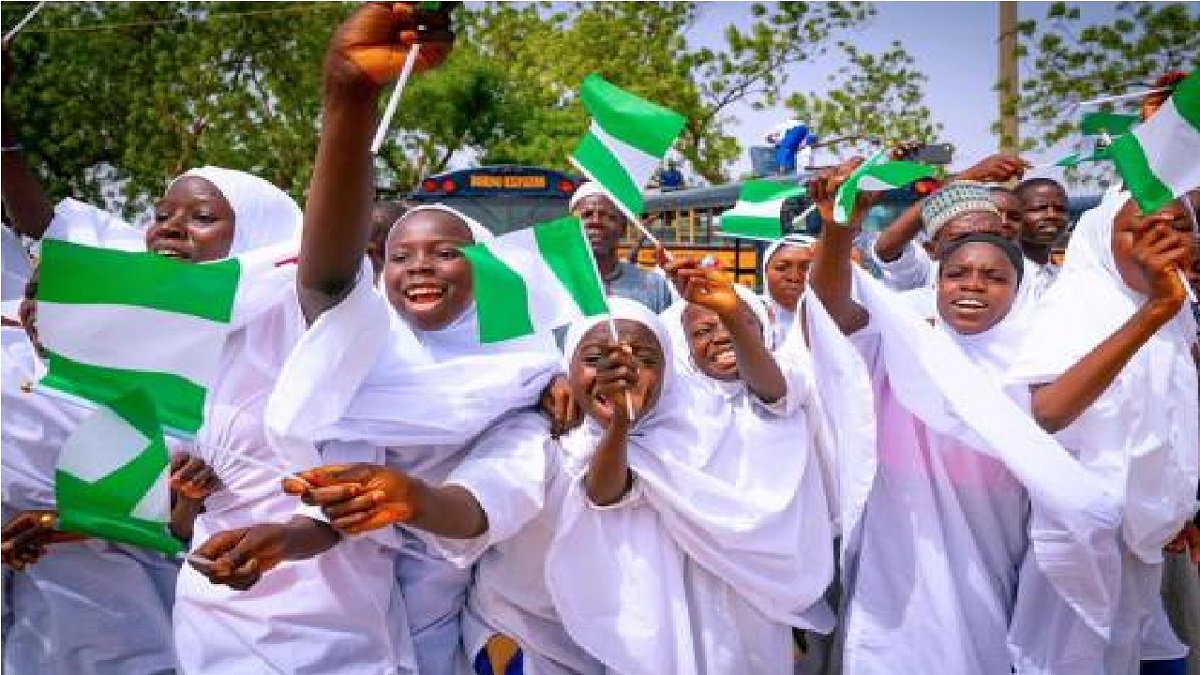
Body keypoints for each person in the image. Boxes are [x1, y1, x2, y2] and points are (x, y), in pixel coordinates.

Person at [803, 156, 1188, 673]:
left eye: (993, 277)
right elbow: (832, 311)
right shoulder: (904, 334)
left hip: (1005, 551)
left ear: (1019, 290)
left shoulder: (1035, 349)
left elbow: (1052, 423)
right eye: (957, 274)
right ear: (936, 279)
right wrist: (835, 233)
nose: (972, 286)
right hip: (904, 554)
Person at [1007, 191, 1198, 674]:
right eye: (1140, 229)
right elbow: (1050, 411)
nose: (1162, 241)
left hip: (1145, 538)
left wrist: (1177, 504)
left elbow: (1172, 420)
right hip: (1083, 544)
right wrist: (1153, 312)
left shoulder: (1174, 309)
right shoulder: (1075, 305)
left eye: (1177, 226)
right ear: (1101, 238)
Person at [569, 181, 674, 313]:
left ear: (623, 228)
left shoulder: (653, 285)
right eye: (586, 215)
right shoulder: (553, 286)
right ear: (570, 227)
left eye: (609, 217)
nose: (595, 222)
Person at [759, 234, 818, 348]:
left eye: (806, 268)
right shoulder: (748, 318)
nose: (794, 277)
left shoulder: (839, 324)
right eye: (781, 268)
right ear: (765, 273)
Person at [1014, 177, 1069, 298]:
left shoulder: (1067, 274)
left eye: (1061, 209)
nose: (1052, 215)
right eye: (1039, 208)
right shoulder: (1006, 275)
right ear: (1014, 215)